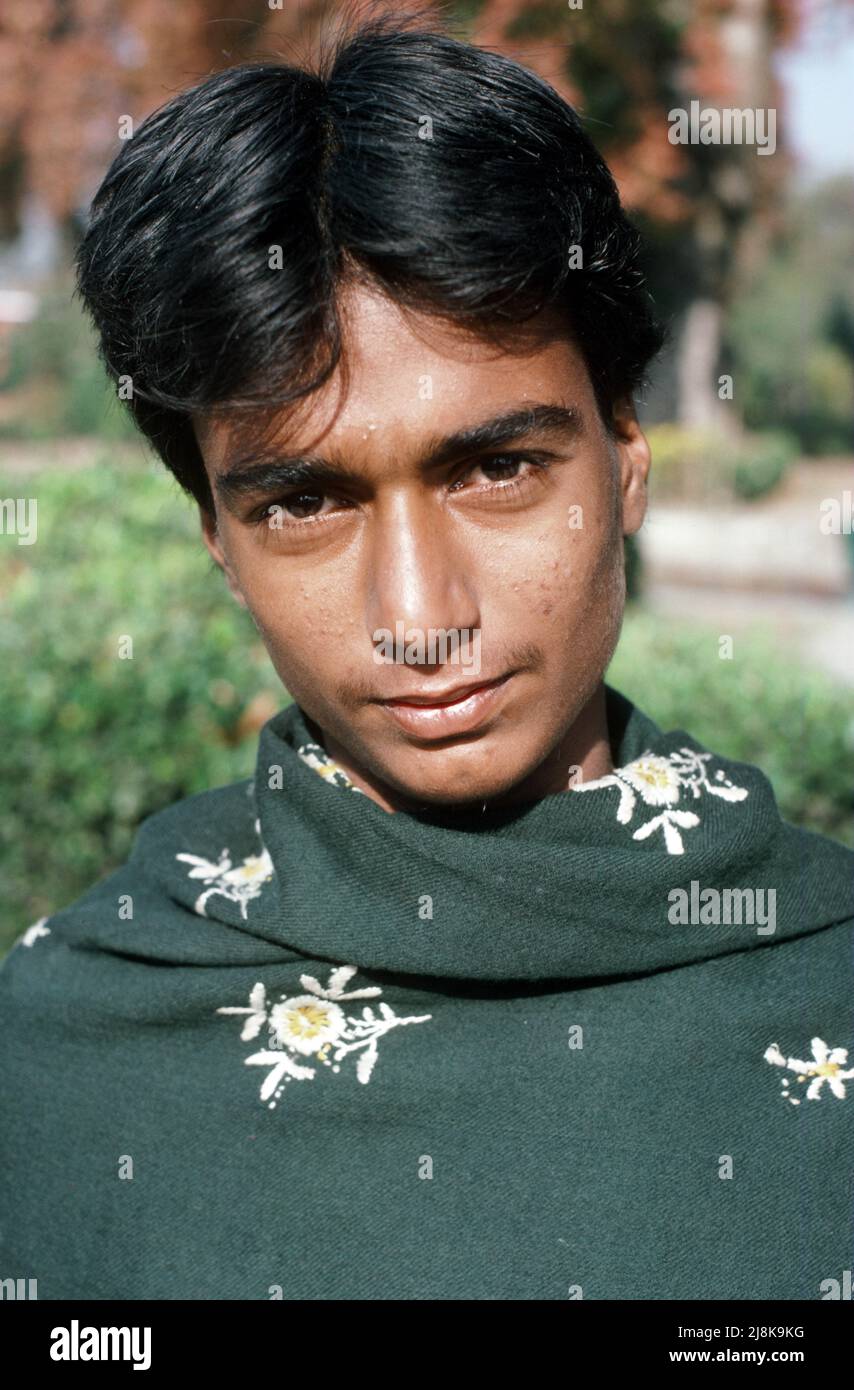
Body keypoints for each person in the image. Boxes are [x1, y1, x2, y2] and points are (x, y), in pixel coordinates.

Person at [1, 10, 852, 1302]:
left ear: (623, 454)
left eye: (496, 468)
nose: (417, 613)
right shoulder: (60, 1043)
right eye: (303, 503)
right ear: (219, 539)